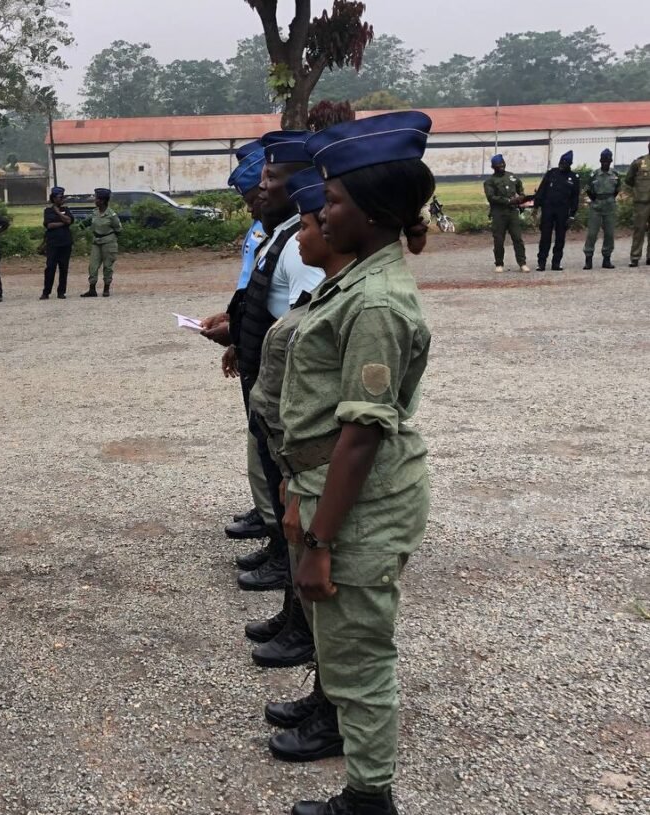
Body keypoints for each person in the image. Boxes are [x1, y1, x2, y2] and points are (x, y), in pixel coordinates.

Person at [278, 111, 435, 815]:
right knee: (341, 646)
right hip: (328, 485)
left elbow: (362, 435)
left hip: (361, 500)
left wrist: (320, 541)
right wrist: (297, 495)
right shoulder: (355, 283)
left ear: (371, 216)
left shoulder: (375, 300)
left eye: (334, 200)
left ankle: (370, 799)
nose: (323, 210)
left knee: (362, 656)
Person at [246, 166, 354, 767]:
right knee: (329, 618)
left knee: (348, 624)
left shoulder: (367, 301)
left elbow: (357, 430)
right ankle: (326, 700)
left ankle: (363, 776)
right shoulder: (334, 285)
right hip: (304, 467)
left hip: (327, 475)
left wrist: (318, 529)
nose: (304, 229)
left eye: (318, 215)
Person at [233, 132, 324, 600]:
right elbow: (258, 298)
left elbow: (302, 328)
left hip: (287, 392)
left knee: (288, 485)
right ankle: (279, 556)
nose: (260, 187)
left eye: (271, 177)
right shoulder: (281, 235)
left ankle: (290, 578)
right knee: (271, 474)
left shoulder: (298, 245)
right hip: (265, 378)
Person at [200, 142, 274, 545]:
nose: (249, 207)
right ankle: (266, 510)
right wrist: (232, 324)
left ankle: (274, 522)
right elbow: (247, 289)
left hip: (264, 342)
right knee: (258, 431)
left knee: (269, 435)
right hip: (249, 334)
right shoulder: (260, 228)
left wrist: (240, 333)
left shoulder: (287, 234)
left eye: (253, 197)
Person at [533, 151, 580, 271]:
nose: (562, 165)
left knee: (560, 237)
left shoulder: (573, 178)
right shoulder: (551, 173)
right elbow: (542, 189)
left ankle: (556, 263)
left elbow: (575, 197)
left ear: (569, 164)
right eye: (561, 162)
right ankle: (541, 262)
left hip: (563, 211)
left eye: (565, 163)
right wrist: (536, 206)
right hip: (548, 208)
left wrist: (572, 215)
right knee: (545, 237)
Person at [483, 154, 530, 273]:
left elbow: (520, 189)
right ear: (493, 166)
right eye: (499, 165)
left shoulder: (512, 176)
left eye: (503, 164)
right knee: (498, 239)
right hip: (499, 213)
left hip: (513, 212)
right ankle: (499, 263)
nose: (502, 166)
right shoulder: (489, 181)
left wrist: (522, 197)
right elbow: (491, 197)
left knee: (517, 238)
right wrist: (508, 201)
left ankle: (522, 263)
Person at [584, 149, 621, 269]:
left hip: (609, 205)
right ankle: (588, 259)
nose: (605, 163)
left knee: (609, 233)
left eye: (607, 161)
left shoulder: (615, 175)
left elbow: (617, 189)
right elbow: (588, 189)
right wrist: (595, 199)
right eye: (603, 160)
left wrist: (609, 198)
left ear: (610, 161)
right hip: (596, 206)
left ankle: (607, 259)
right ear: (600, 161)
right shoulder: (594, 174)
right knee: (592, 234)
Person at [81, 187, 122, 297]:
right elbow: (85, 223)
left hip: (109, 242)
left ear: (103, 201)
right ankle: (92, 289)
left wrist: (111, 239)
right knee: (93, 266)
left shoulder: (111, 215)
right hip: (96, 242)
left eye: (97, 199)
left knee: (108, 266)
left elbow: (118, 229)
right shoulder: (95, 213)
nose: (95, 201)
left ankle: (106, 288)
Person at [41, 186, 74, 299]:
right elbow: (49, 225)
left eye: (63, 197)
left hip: (65, 243)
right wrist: (64, 222)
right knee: (50, 268)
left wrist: (59, 214)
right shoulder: (48, 211)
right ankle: (46, 292)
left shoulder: (66, 209)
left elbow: (70, 220)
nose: (62, 199)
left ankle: (61, 292)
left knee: (63, 268)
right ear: (54, 198)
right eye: (60, 197)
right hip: (53, 244)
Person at [626, 140, 650, 268]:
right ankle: (635, 257)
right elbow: (629, 179)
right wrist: (638, 190)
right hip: (642, 201)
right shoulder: (639, 163)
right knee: (639, 229)